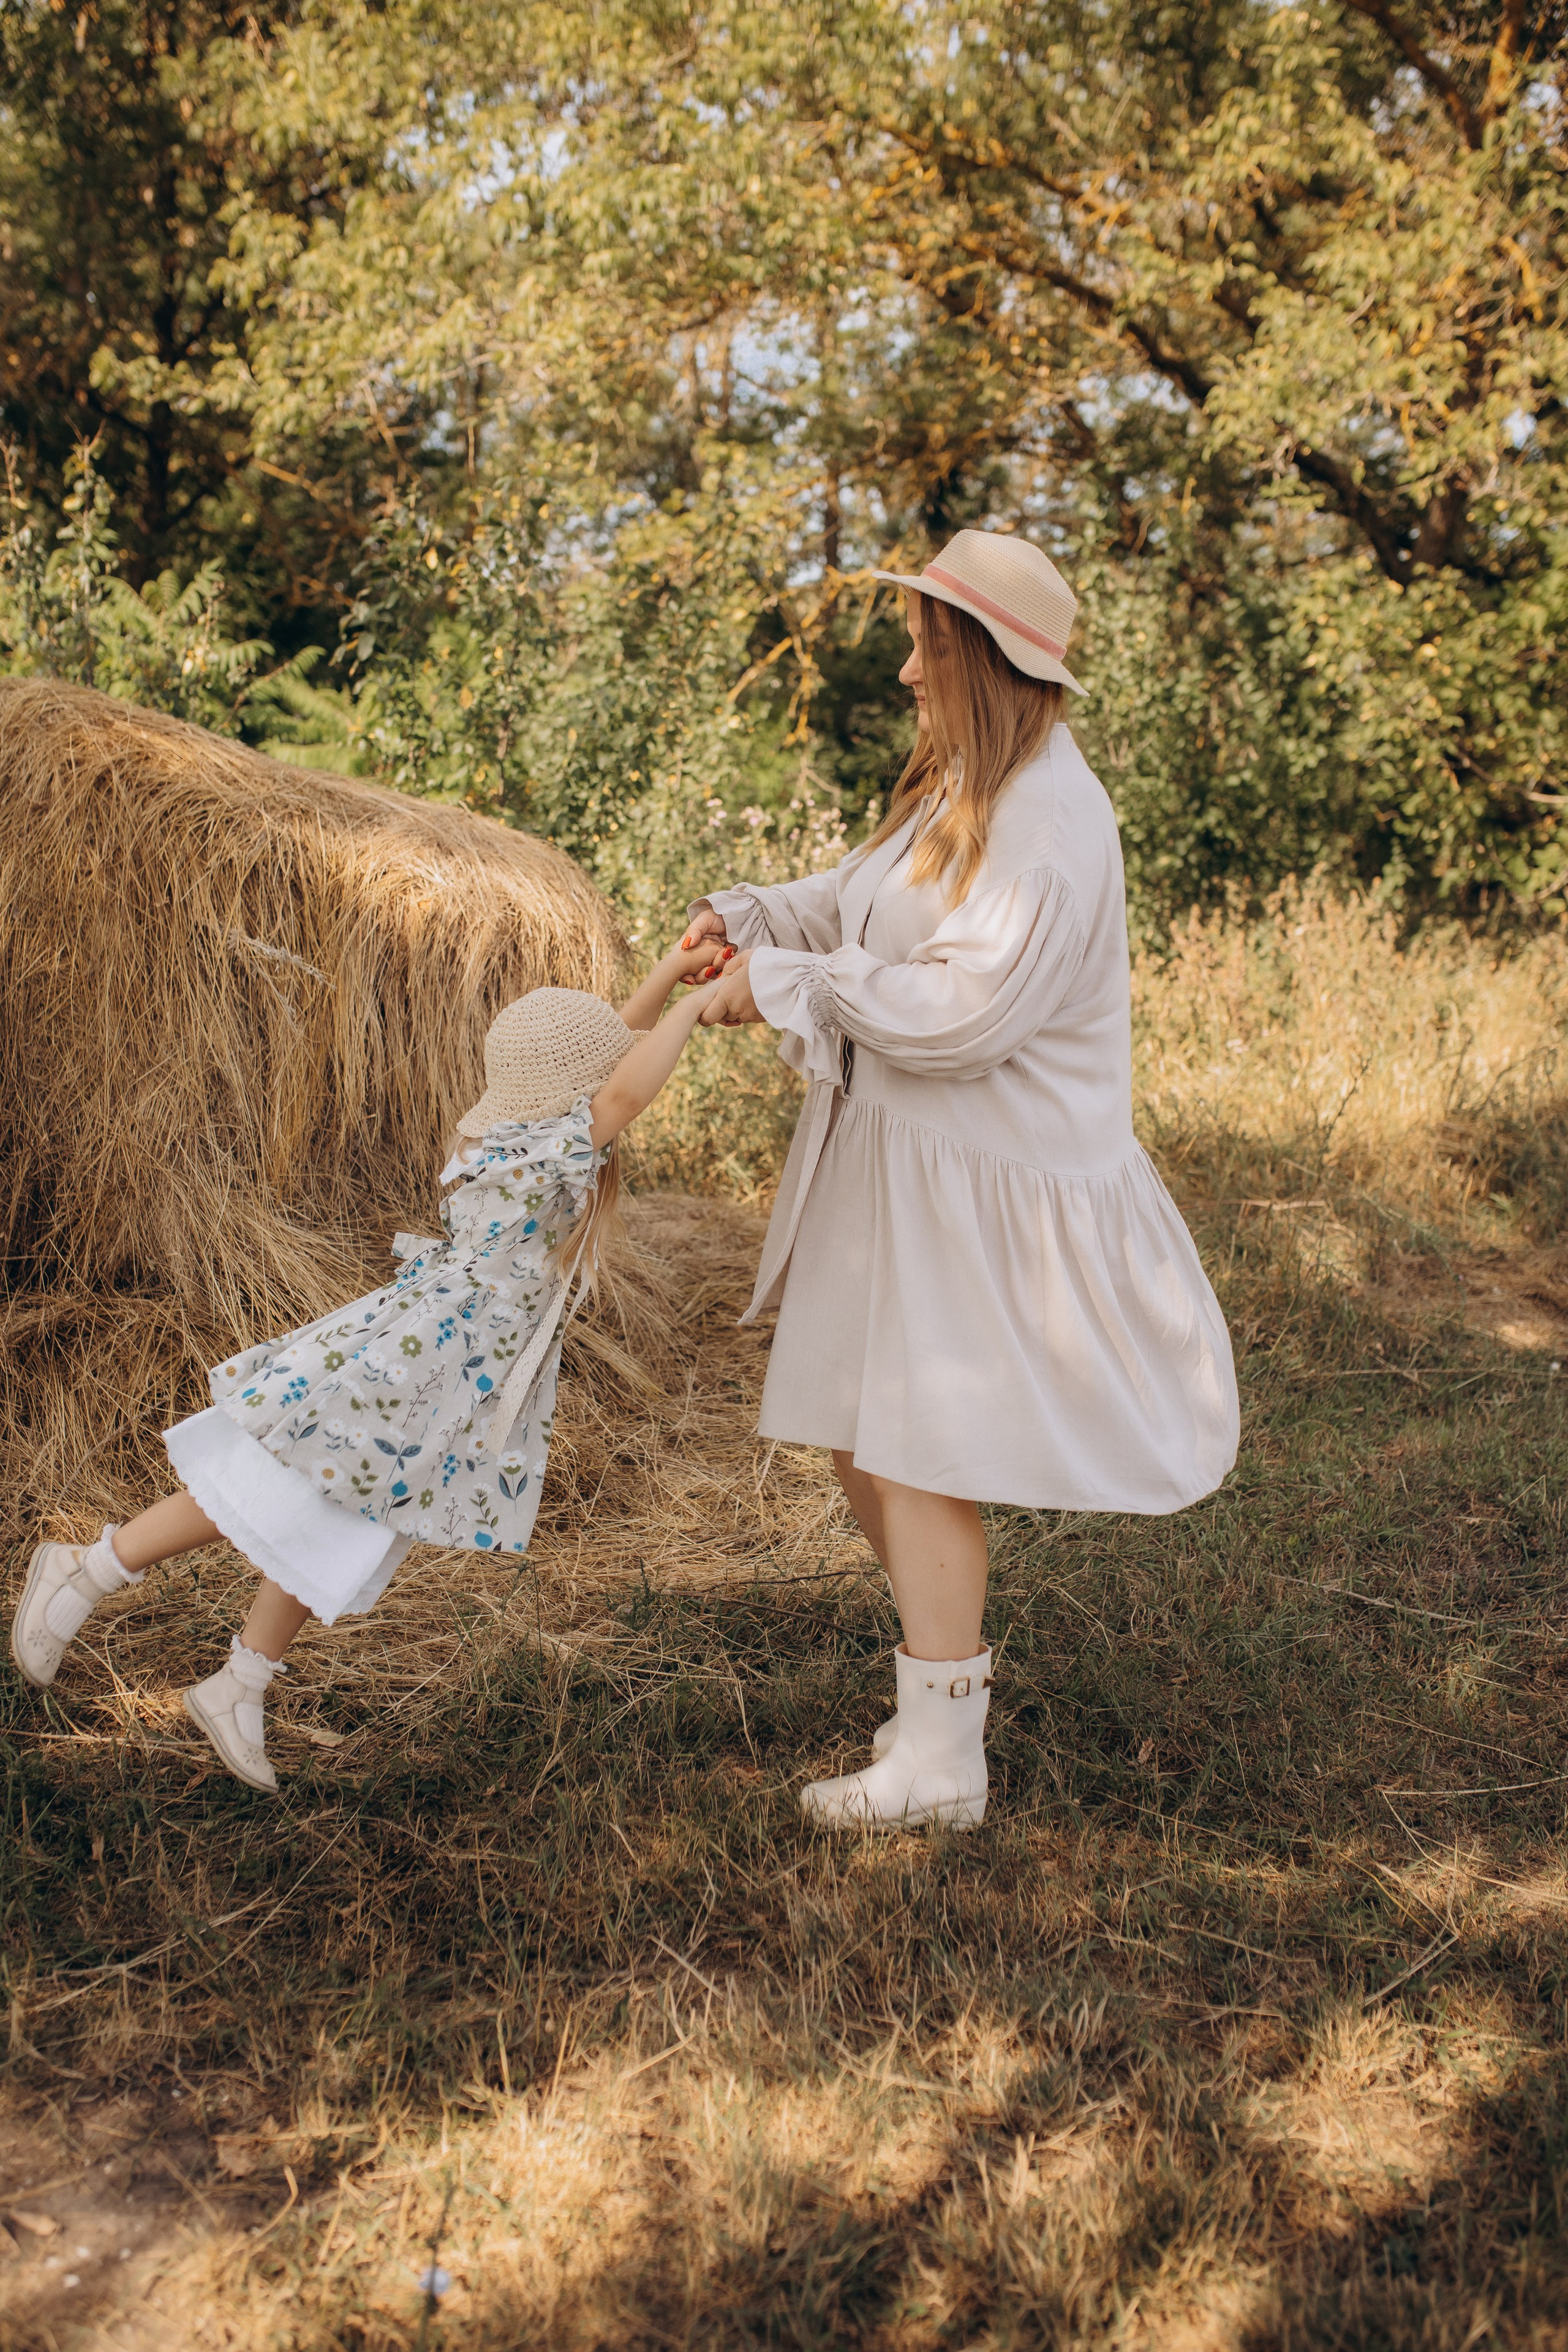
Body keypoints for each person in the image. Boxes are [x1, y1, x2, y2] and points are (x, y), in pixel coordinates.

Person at [687, 527, 1240, 1831]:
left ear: (980, 658)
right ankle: (943, 1690)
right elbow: (874, 901)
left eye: (924, 645)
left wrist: (780, 989)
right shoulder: (971, 790)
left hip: (987, 1178)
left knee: (916, 1440)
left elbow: (961, 1014)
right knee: (856, 1427)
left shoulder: (1050, 822)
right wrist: (764, 917)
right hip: (907, 1162)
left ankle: (942, 1761)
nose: (903, 673)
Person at [11, 943, 726, 1791]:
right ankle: (87, 1567)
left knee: (349, 1508)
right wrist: (696, 1010)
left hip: (451, 1366)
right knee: (281, 1482)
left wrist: (661, 986)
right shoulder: (543, 1148)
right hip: (429, 1357)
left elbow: (600, 1061)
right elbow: (622, 1088)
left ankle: (240, 1683)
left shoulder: (504, 1128)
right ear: (566, 1090)